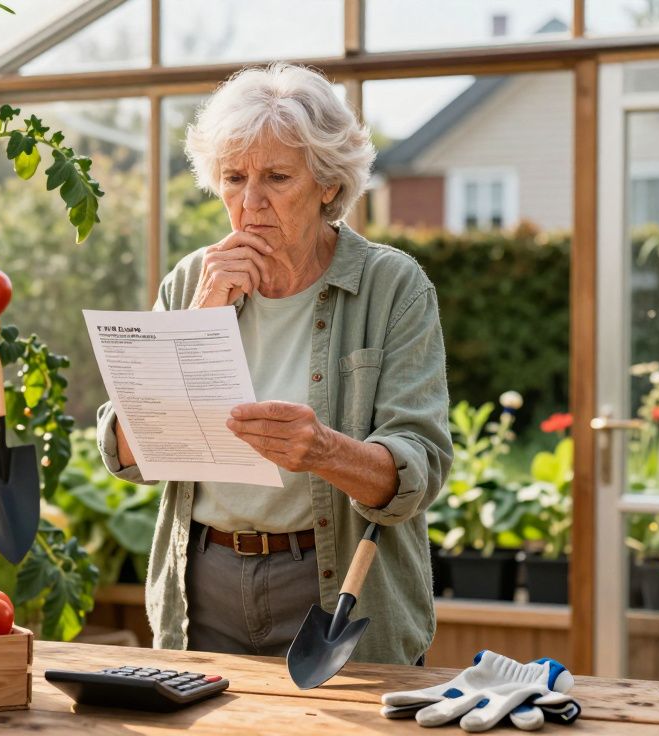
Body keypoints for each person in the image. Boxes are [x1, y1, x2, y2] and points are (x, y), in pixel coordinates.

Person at [95, 63, 452, 665]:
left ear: (329, 185)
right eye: (233, 178)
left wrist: (325, 451)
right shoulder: (191, 280)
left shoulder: (393, 285)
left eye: (276, 177)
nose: (250, 202)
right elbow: (128, 452)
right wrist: (201, 318)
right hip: (202, 583)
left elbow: (419, 470)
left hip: (337, 589)